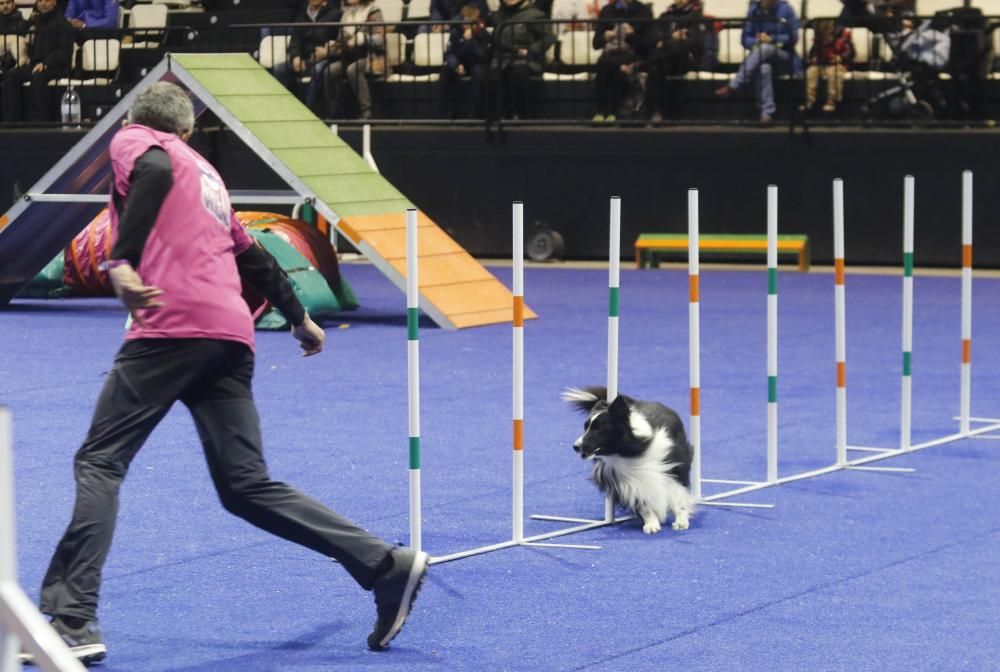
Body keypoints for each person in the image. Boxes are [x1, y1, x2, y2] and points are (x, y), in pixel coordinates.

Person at [17, 81, 429, 666]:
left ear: (147, 125)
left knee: (100, 462)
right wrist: (299, 317)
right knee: (245, 485)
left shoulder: (139, 142)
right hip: (231, 336)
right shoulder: (206, 175)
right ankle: (384, 564)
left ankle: (72, 620)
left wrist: (120, 257)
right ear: (189, 130)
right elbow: (253, 254)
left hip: (169, 326)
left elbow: (153, 172)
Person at [714, 0, 800, 124]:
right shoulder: (753, 11)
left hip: (784, 57)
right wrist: (757, 41)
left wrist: (771, 39)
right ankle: (766, 114)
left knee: (765, 49)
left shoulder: (786, 9)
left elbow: (793, 37)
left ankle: (734, 85)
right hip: (761, 56)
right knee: (763, 68)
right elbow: (745, 39)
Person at [1, 0, 73, 123]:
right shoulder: (36, 23)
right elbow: (22, 34)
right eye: (40, 0)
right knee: (12, 75)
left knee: (38, 76)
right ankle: (11, 120)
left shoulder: (64, 24)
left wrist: (46, 63)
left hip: (57, 66)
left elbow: (64, 52)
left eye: (47, 0)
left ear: (55, 2)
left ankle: (42, 119)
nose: (43, 3)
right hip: (35, 64)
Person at [485, 0, 554, 121]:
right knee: (493, 73)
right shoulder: (497, 16)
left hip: (527, 60)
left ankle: (522, 116)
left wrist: (531, 50)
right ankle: (496, 117)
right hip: (503, 58)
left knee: (518, 71)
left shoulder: (536, 15)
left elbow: (548, 37)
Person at [643, 0, 705, 122]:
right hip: (665, 61)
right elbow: (654, 39)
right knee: (655, 69)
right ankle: (656, 112)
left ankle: (640, 65)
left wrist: (665, 42)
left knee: (677, 48)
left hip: (685, 60)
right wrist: (672, 38)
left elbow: (694, 42)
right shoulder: (665, 16)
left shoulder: (695, 16)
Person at [591, 0, 652, 123]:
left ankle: (613, 111)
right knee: (602, 64)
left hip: (633, 55)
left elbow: (646, 45)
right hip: (610, 54)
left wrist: (631, 35)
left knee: (615, 65)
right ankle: (600, 111)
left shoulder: (643, 11)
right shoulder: (607, 10)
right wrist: (605, 37)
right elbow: (596, 43)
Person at [323, 0, 385, 119]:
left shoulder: (374, 12)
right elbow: (341, 39)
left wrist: (362, 39)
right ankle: (334, 112)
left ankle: (366, 111)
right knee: (330, 71)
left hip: (371, 58)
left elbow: (380, 40)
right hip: (348, 57)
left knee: (353, 70)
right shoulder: (346, 14)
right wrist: (334, 45)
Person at [279, 0, 341, 114]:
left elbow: (338, 42)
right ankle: (284, 109)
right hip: (305, 59)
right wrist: (295, 57)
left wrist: (326, 51)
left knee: (317, 70)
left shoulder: (335, 14)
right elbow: (294, 42)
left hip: (325, 58)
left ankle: (308, 110)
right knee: (280, 69)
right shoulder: (301, 15)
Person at [438, 2, 489, 119]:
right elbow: (449, 52)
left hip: (477, 64)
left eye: (471, 23)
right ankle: (444, 113)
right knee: (446, 71)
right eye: (465, 22)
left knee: (479, 72)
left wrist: (469, 41)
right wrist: (456, 64)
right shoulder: (456, 31)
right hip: (461, 62)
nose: (467, 26)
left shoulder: (482, 33)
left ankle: (473, 113)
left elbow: (482, 55)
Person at [801, 18, 853, 114]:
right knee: (810, 72)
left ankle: (832, 101)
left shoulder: (843, 37)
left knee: (834, 74)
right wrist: (813, 58)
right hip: (821, 64)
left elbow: (850, 52)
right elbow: (812, 53)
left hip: (837, 64)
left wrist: (840, 57)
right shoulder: (818, 39)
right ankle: (809, 100)